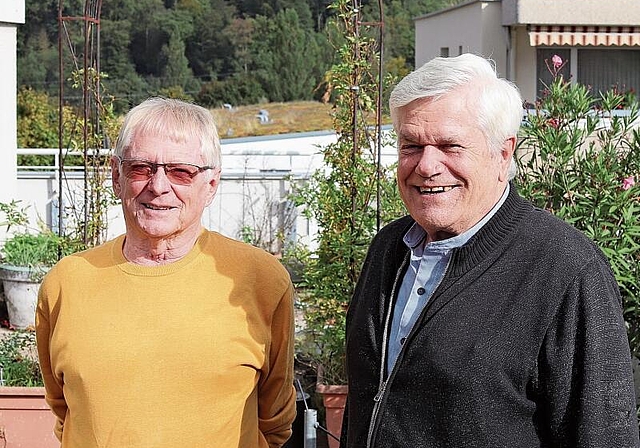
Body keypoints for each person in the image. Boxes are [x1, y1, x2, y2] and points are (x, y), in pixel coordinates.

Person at [340, 54, 640, 447]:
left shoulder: (563, 268)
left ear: (503, 153)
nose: (427, 165)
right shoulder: (389, 248)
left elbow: (603, 434)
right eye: (411, 145)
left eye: (450, 146)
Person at [35, 97, 297, 447]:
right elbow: (64, 408)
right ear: (116, 176)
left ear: (212, 185)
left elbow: (275, 421)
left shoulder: (259, 279)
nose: (158, 186)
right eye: (141, 168)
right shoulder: (66, 282)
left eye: (181, 172)